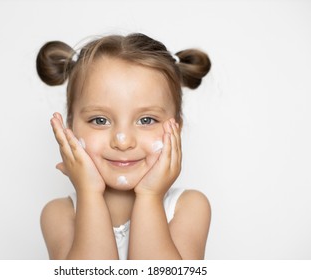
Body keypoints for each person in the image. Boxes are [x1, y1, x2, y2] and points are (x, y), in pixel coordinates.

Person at [36, 33, 211, 260]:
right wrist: (89, 193)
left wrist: (150, 197)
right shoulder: (60, 214)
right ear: (70, 128)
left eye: (146, 120)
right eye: (100, 120)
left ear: (177, 127)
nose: (122, 141)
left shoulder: (189, 208)